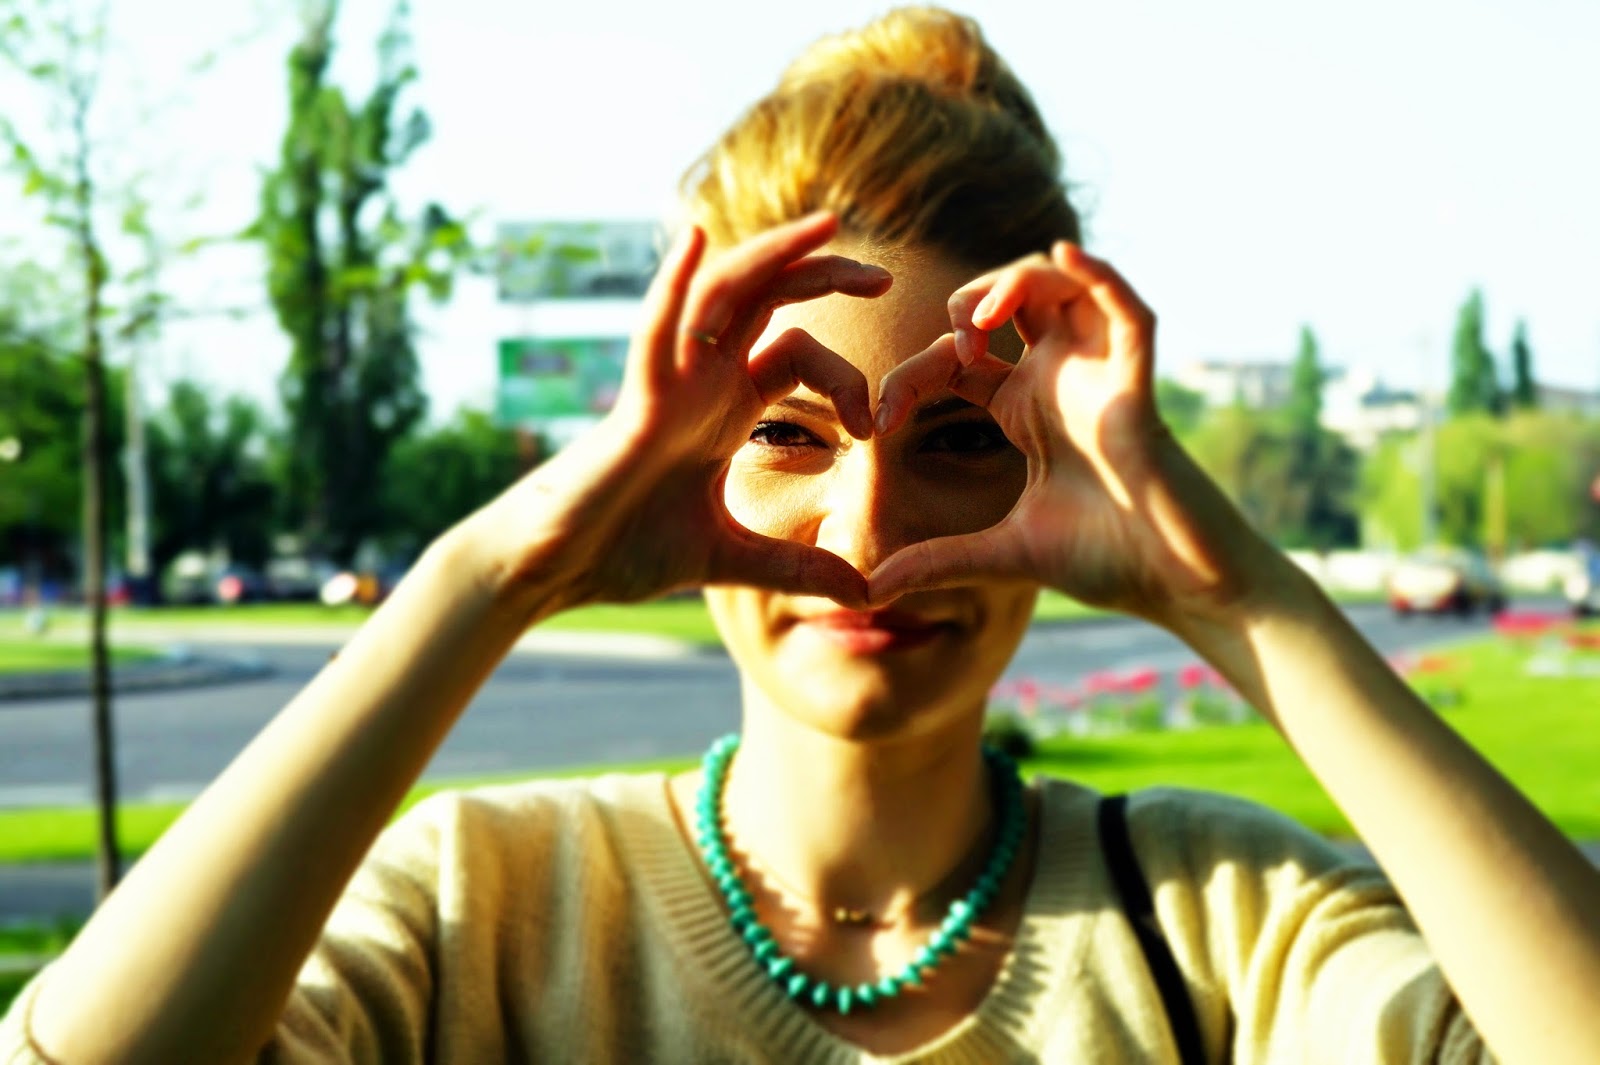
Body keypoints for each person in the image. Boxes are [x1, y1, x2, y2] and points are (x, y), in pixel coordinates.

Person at [5, 8, 1598, 1063]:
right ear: (675, 455)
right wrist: (487, 577)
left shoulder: (1228, 922)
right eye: (786, 433)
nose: (870, 527)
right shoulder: (479, 907)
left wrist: (1240, 599)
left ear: (1066, 470)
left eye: (959, 441)